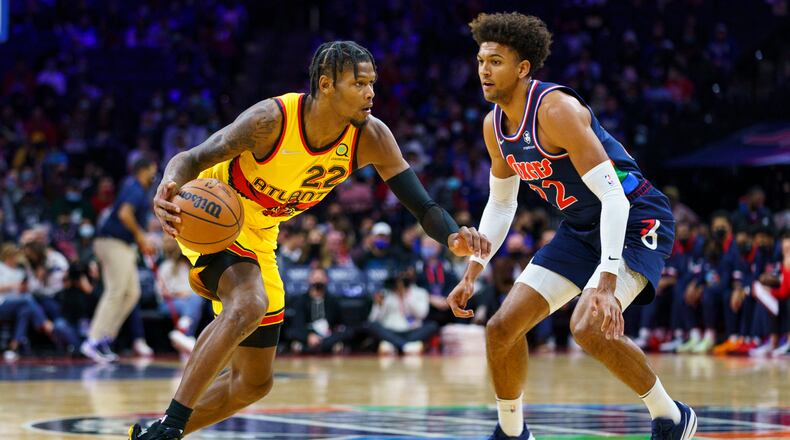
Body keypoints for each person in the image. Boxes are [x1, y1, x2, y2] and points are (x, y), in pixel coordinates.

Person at [133, 40, 490, 439]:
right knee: (249, 302)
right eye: (358, 83)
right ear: (326, 85)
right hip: (215, 212)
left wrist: (453, 237)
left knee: (253, 384)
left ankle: (153, 436)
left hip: (263, 233)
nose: (370, 93)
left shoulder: (371, 137)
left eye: (372, 83)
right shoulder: (270, 119)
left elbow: (423, 206)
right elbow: (192, 157)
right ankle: (171, 424)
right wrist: (169, 183)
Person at [446, 13, 695, 440]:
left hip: (635, 216)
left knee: (587, 325)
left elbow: (614, 197)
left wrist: (607, 279)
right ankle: (512, 432)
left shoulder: (556, 109)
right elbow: (502, 206)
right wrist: (474, 270)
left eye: (496, 61)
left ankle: (671, 416)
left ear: (523, 68)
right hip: (582, 226)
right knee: (501, 329)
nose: (484, 70)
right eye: (481, 60)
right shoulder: (494, 126)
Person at [81, 157, 157, 363]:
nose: (154, 175)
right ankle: (93, 339)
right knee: (115, 291)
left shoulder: (135, 188)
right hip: (114, 242)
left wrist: (139, 239)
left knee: (132, 293)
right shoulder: (136, 187)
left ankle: (106, 338)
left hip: (122, 245)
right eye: (153, 170)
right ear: (144, 170)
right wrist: (141, 236)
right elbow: (125, 214)